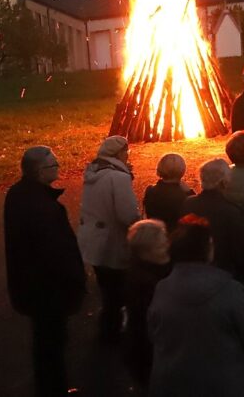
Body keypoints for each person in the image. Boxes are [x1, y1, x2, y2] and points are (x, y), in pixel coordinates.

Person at [147, 217, 244, 397]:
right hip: (222, 383)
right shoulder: (230, 289)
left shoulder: (162, 289)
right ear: (208, 248)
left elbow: (153, 331)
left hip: (174, 383)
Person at [4, 146, 85, 397]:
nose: (58, 168)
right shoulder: (45, 209)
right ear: (40, 172)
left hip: (29, 286)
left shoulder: (16, 194)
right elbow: (57, 255)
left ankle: (48, 385)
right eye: (54, 165)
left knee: (43, 342)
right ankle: (53, 389)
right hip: (48, 292)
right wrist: (75, 284)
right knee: (52, 344)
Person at [78, 135, 139, 343]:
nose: (127, 155)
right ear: (118, 153)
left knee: (106, 287)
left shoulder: (93, 172)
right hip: (112, 241)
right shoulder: (118, 178)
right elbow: (127, 214)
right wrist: (139, 224)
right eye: (125, 152)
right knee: (118, 291)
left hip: (94, 240)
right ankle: (112, 335)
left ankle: (107, 330)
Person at [182, 159, 244, 282]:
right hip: (224, 274)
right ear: (224, 182)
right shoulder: (231, 211)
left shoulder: (188, 204)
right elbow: (241, 252)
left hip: (193, 272)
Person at [124, 219, 171, 385]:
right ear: (144, 251)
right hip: (150, 354)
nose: (167, 248)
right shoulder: (146, 284)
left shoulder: (150, 269)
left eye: (166, 241)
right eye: (160, 246)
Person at [143, 153, 194, 233]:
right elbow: (196, 213)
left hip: (156, 236)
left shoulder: (150, 191)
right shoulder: (185, 195)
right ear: (182, 170)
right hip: (178, 239)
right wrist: (190, 192)